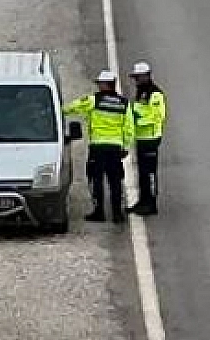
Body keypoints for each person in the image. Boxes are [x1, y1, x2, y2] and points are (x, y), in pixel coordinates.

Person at [63, 70, 134, 224]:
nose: (98, 86)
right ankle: (117, 214)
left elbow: (74, 107)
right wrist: (126, 146)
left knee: (96, 180)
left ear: (105, 85)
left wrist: (59, 110)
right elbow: (129, 127)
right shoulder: (124, 103)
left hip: (98, 147)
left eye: (100, 84)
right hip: (116, 148)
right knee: (115, 181)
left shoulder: (94, 100)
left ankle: (99, 212)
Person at [128, 60, 166, 216]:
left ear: (146, 76)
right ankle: (143, 200)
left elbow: (157, 116)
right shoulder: (141, 92)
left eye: (138, 77)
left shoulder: (155, 94)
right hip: (141, 138)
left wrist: (137, 119)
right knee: (142, 172)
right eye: (135, 77)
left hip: (150, 138)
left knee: (149, 172)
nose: (136, 80)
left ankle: (151, 203)